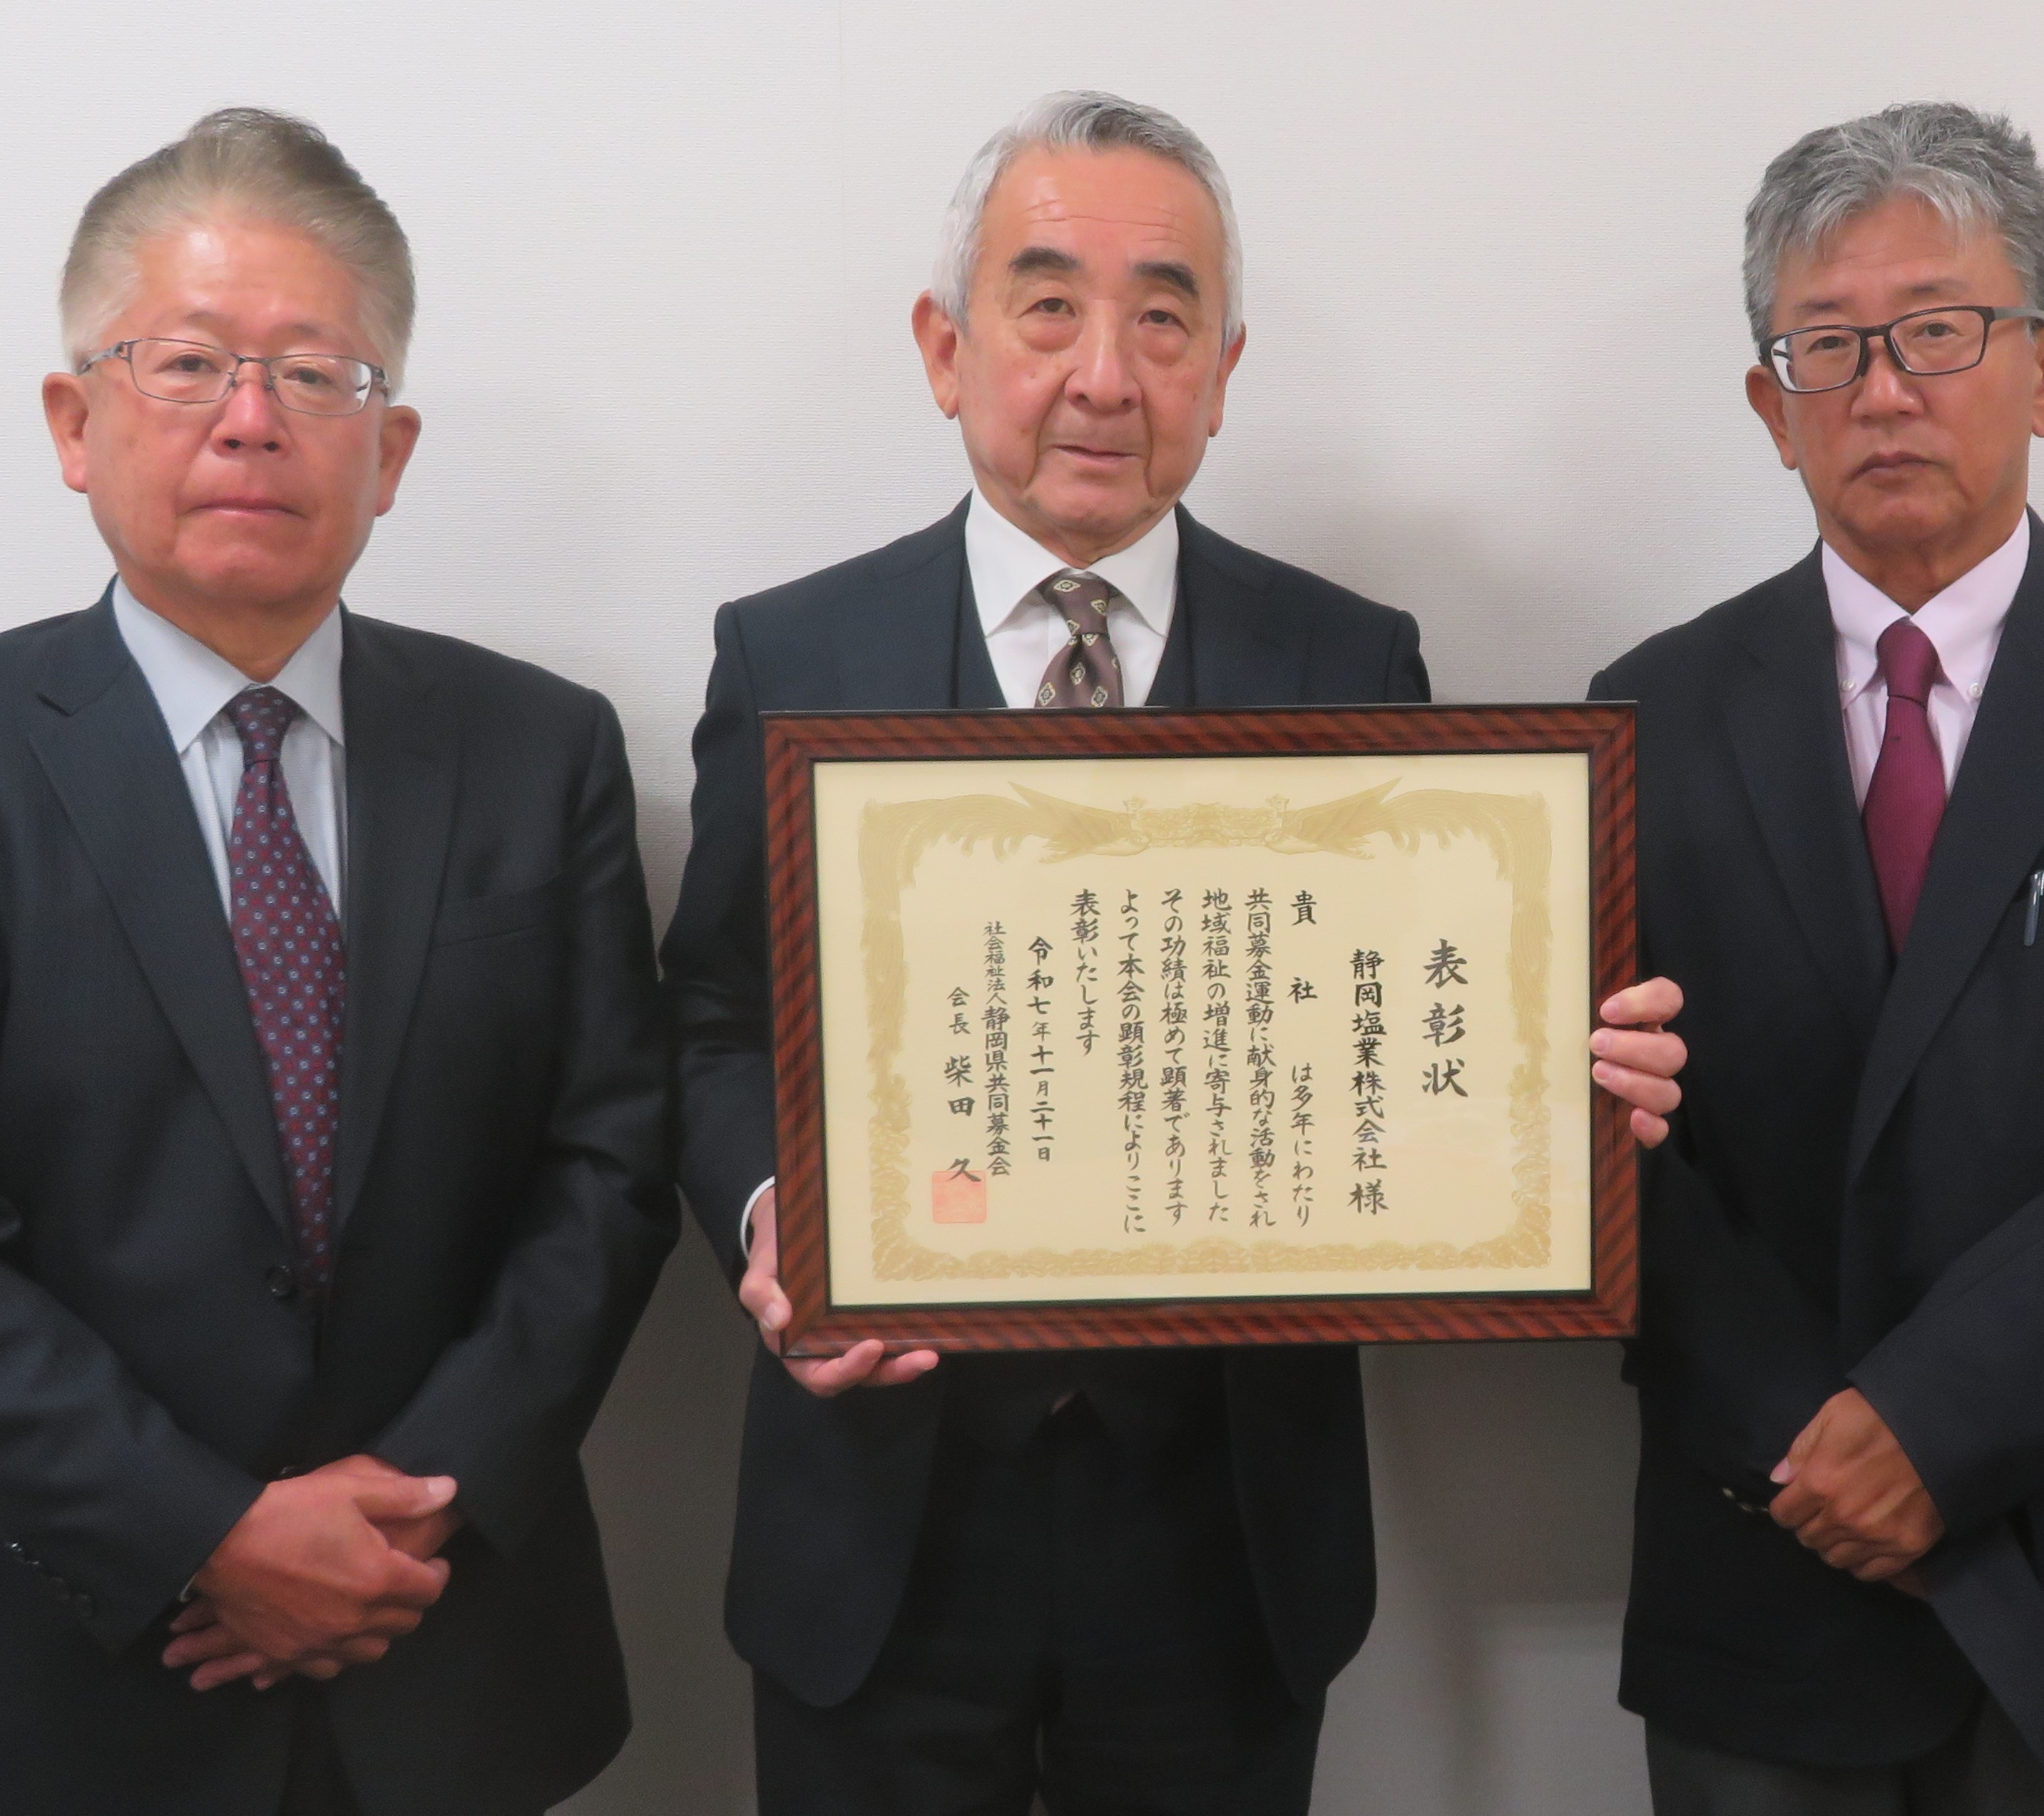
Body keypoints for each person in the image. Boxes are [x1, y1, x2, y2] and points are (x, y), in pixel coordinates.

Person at [664, 88, 1687, 1815]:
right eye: (1046, 305)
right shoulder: (793, 655)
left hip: (1221, 1534)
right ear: (946, 347)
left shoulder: (1349, 659)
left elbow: (1418, 1028)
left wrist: (1568, 1083)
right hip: (883, 1515)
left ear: (1222, 370)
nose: (1103, 374)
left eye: (1162, 318)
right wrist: (779, 1218)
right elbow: (710, 1013)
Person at [0, 109, 683, 1815]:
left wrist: (410, 1509)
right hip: (55, 1681)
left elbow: (609, 1165)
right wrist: (207, 1530)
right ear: (76, 420)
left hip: (447, 1655)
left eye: (314, 374)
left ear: (390, 450)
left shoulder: (536, 749)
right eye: (188, 362)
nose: (251, 418)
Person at [1588, 101, 2044, 1815]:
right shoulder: (1643, 713)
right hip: (1761, 1542)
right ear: (1771, 404)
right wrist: (1811, 1442)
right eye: (1829, 346)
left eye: (1938, 331)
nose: (1884, 390)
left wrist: (1935, 1424)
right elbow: (1606, 1142)